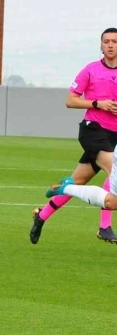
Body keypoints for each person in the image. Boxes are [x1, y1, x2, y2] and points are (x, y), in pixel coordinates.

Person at [30, 28, 117, 245]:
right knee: (113, 169)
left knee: (77, 182)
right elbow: (71, 100)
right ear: (101, 45)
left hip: (114, 136)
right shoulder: (90, 70)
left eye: (114, 42)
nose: (110, 45)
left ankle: (41, 216)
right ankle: (105, 227)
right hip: (93, 129)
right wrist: (97, 103)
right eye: (106, 41)